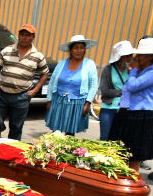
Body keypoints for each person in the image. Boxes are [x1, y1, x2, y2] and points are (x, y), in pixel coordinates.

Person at [0, 24, 49, 140]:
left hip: (21, 97)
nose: (24, 37)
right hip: (2, 94)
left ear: (33, 37)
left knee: (16, 127)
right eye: (22, 34)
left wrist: (34, 91)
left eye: (28, 35)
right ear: (18, 36)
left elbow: (45, 73)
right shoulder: (7, 50)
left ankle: (12, 152)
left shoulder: (37, 56)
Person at [108, 37, 153, 171]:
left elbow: (133, 86)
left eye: (141, 55)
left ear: (150, 57)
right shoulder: (138, 71)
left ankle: (132, 182)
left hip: (141, 115)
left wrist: (133, 70)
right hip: (126, 112)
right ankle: (121, 178)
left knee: (134, 153)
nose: (137, 57)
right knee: (119, 150)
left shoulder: (150, 72)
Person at [45, 34, 99, 135]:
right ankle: (53, 149)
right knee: (56, 132)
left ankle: (67, 150)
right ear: (70, 50)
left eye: (81, 48)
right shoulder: (61, 63)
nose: (79, 50)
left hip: (77, 102)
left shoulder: (89, 64)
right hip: (59, 100)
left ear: (84, 49)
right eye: (76, 48)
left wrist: (88, 103)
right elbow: (52, 82)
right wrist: (49, 100)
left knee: (70, 133)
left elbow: (93, 85)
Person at [98, 40, 133, 140]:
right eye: (126, 56)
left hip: (125, 108)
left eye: (130, 55)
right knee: (105, 138)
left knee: (120, 138)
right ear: (119, 57)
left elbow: (134, 88)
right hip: (108, 108)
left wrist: (133, 71)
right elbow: (104, 91)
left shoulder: (132, 71)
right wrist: (122, 92)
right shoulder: (107, 69)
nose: (128, 58)